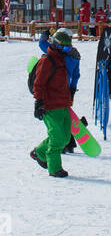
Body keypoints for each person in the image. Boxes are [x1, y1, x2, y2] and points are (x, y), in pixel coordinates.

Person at [31, 29, 78, 178]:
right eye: (65, 48)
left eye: (69, 48)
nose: (67, 51)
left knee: (64, 138)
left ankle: (39, 152)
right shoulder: (47, 61)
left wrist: (71, 93)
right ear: (57, 45)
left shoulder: (62, 60)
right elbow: (38, 84)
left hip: (63, 104)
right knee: (57, 138)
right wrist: (38, 103)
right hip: (50, 106)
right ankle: (54, 168)